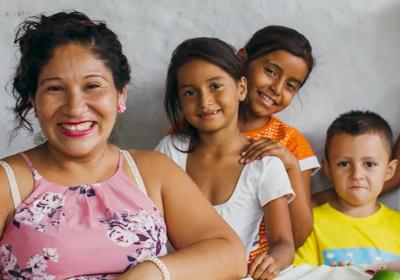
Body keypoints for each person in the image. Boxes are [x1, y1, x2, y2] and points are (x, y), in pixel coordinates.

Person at [0, 11, 247, 280]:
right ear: (34, 101)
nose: (75, 107)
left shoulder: (152, 172)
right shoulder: (8, 184)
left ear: (120, 93)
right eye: (55, 89)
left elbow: (230, 255)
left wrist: (151, 273)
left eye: (92, 86)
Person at [156, 37, 295, 280]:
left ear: (241, 89)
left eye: (215, 86)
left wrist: (273, 261)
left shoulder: (264, 166)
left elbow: (284, 243)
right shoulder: (169, 152)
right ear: (179, 101)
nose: (204, 101)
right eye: (190, 92)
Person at [236, 25, 319, 256]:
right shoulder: (202, 124)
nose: (277, 88)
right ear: (243, 59)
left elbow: (299, 236)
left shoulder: (291, 142)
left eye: (291, 85)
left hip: (263, 268)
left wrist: (290, 165)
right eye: (271, 71)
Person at [294, 110, 400, 268]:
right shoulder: (310, 223)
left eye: (369, 164)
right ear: (327, 168)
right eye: (344, 164)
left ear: (389, 170)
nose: (357, 175)